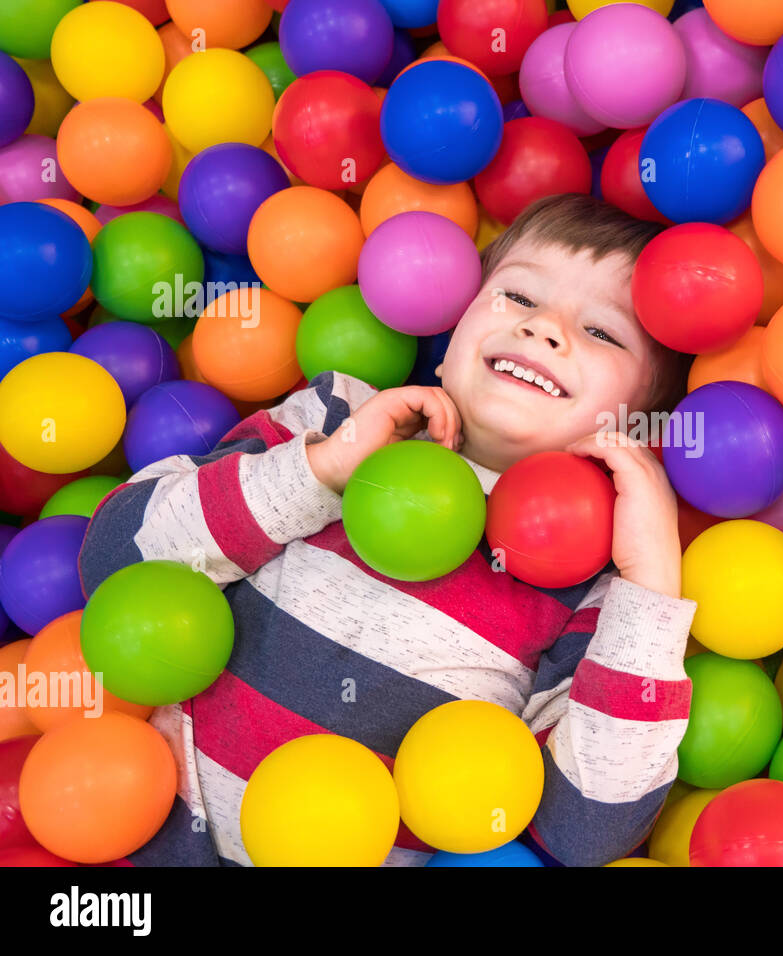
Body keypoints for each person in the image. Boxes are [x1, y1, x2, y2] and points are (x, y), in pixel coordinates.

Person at [78, 194, 698, 867]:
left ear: (639, 423)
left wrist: (650, 590)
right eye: (519, 296)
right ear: (451, 331)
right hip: (147, 844)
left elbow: (584, 831)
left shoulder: (598, 586)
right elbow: (116, 558)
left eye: (602, 332)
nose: (544, 329)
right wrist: (324, 470)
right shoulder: (336, 418)